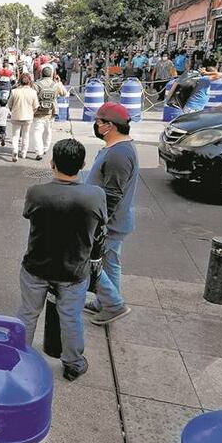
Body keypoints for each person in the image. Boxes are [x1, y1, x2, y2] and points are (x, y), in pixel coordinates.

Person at [17, 139, 107, 381]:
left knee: (28, 314)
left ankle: (19, 359)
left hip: (36, 266)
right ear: (83, 165)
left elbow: (28, 214)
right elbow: (101, 229)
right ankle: (73, 363)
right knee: (71, 317)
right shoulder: (95, 196)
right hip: (74, 270)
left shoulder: (37, 192)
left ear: (52, 163)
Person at [84, 103, 138, 326]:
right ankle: (104, 302)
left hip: (109, 222)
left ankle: (114, 305)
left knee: (90, 263)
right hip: (114, 221)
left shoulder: (119, 154)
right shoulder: (116, 148)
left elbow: (112, 195)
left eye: (98, 122)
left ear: (110, 126)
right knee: (110, 263)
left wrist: (99, 224)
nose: (95, 126)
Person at [31, 65, 67, 162]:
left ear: (41, 74)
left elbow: (32, 97)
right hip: (51, 112)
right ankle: (45, 148)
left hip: (38, 112)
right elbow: (64, 93)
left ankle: (39, 152)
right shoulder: (56, 84)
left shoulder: (36, 84)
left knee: (38, 132)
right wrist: (59, 82)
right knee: (48, 131)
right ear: (51, 74)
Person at [6, 73, 38, 162]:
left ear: (20, 81)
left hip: (16, 116)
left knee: (15, 136)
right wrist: (31, 113)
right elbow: (35, 107)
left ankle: (15, 151)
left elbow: (9, 104)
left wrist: (13, 110)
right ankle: (23, 153)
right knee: (25, 135)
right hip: (28, 117)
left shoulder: (14, 91)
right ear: (30, 81)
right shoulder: (33, 92)